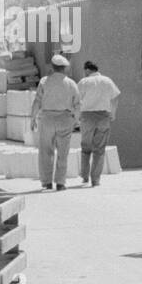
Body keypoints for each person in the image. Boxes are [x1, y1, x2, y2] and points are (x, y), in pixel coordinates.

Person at [31, 53, 81, 190]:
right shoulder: (71, 83)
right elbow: (77, 104)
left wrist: (32, 118)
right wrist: (76, 121)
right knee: (63, 152)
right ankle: (60, 182)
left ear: (52, 67)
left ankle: (46, 182)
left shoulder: (44, 81)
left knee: (46, 152)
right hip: (65, 119)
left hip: (46, 118)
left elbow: (37, 101)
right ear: (64, 68)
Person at [77, 60, 121, 186]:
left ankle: (85, 177)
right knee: (99, 149)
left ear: (87, 70)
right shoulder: (107, 81)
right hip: (103, 116)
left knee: (86, 148)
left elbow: (76, 99)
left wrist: (77, 115)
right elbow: (116, 96)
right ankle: (95, 180)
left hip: (87, 116)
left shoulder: (83, 82)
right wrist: (113, 113)